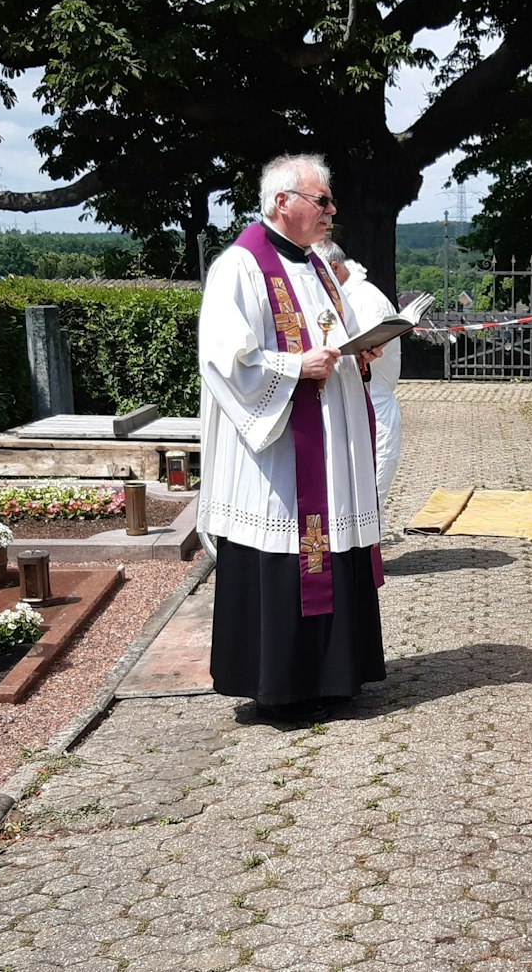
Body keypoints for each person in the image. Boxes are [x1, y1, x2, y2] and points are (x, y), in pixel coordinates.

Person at [197, 154, 385, 724]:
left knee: (332, 543)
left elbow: (337, 335)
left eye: (329, 202)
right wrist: (293, 368)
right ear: (284, 202)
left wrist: (363, 348)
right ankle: (281, 686)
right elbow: (225, 358)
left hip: (331, 441)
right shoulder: (240, 266)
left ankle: (334, 676)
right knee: (289, 546)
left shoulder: (320, 266)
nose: (332, 211)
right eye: (322, 201)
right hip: (279, 451)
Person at [313, 240, 402, 511]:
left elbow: (362, 355)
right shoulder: (343, 296)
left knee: (368, 501)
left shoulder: (366, 301)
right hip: (349, 408)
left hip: (373, 405)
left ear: (335, 268)